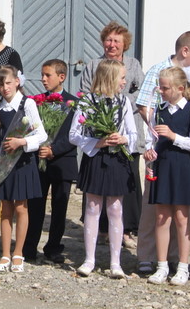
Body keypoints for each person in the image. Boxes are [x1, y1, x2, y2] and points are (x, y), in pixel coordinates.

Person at [134, 31, 190, 274]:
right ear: (185, 51)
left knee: (182, 214)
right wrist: (152, 144)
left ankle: (177, 259)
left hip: (183, 158)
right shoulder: (158, 72)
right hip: (161, 157)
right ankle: (150, 257)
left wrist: (174, 134)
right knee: (155, 211)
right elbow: (145, 106)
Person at [70, 59, 138, 278]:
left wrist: (123, 138)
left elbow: (134, 134)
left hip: (117, 158)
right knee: (92, 206)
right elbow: (74, 135)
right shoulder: (87, 101)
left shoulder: (124, 102)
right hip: (96, 157)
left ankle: (115, 262)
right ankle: (89, 259)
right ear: (110, 78)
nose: (124, 82)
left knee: (116, 208)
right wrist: (96, 142)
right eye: (122, 78)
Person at [80, 21, 145, 250]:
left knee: (127, 180)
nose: (112, 44)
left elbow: (141, 92)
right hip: (100, 132)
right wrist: (102, 109)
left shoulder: (133, 65)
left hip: (127, 129)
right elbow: (85, 92)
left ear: (125, 44)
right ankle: (100, 229)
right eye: (108, 40)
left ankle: (126, 229)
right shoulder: (93, 65)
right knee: (98, 183)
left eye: (117, 41)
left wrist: (121, 103)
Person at [0, 65, 46, 273]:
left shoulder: (27, 103)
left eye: (8, 83)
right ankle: (5, 254)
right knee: (5, 209)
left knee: (21, 208)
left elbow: (41, 134)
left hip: (23, 162)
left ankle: (18, 253)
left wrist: (22, 142)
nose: (5, 87)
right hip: (4, 165)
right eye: (1, 84)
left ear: (17, 82)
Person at [143, 67, 190, 286]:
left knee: (182, 218)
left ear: (180, 89)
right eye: (160, 87)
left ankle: (183, 266)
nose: (161, 91)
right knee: (161, 217)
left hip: (183, 166)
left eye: (165, 88)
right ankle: (162, 265)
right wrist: (149, 150)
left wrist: (174, 136)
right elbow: (151, 138)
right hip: (163, 165)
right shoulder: (158, 110)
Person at [23, 59, 78, 263]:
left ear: (61, 77)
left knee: (59, 206)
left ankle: (54, 247)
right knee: (35, 205)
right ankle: (29, 247)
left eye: (48, 75)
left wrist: (54, 149)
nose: (43, 79)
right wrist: (40, 146)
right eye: (42, 75)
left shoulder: (73, 103)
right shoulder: (37, 102)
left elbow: (75, 134)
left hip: (63, 161)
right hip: (40, 160)